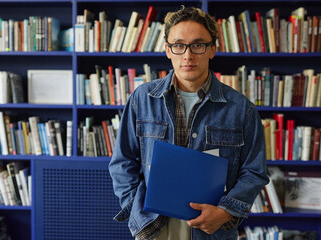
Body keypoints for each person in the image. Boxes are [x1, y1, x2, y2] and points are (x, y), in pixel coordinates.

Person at [109, 6, 269, 240]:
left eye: (198, 45)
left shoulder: (241, 108)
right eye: (179, 45)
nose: (187, 55)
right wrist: (137, 207)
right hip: (154, 227)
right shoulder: (141, 99)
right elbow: (122, 163)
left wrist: (225, 212)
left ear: (212, 49)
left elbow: (254, 171)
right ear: (167, 50)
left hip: (212, 230)